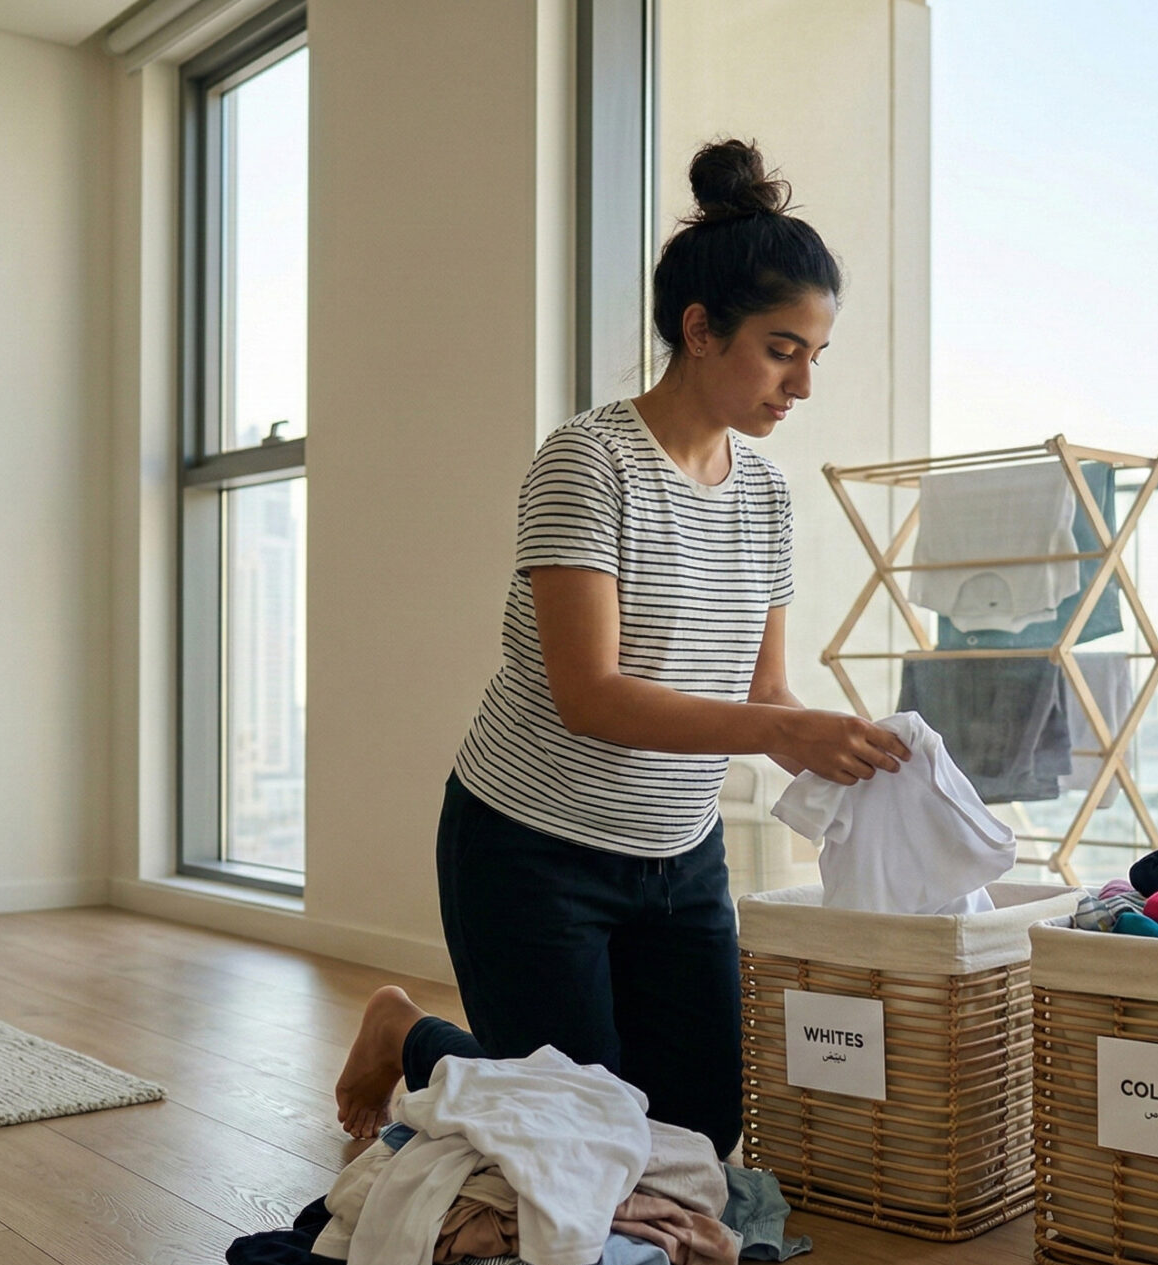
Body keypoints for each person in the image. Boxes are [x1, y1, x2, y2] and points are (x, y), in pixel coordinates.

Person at [335, 139, 909, 1158]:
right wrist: (784, 724)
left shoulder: (767, 494)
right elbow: (589, 696)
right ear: (699, 329)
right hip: (530, 847)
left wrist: (846, 754)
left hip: (679, 857)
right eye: (783, 350)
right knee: (582, 1144)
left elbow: (763, 689)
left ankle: (443, 1044)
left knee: (698, 1139)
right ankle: (406, 1031)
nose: (803, 384)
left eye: (815, 355)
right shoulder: (587, 463)